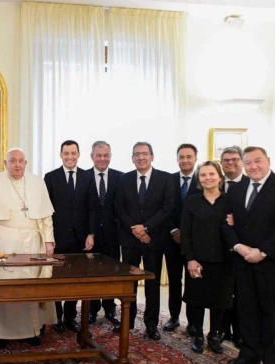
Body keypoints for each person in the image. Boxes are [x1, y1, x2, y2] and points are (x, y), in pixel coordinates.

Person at [223, 146, 275, 364]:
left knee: (271, 314)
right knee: (246, 310)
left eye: (258, 161)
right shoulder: (236, 190)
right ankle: (249, 353)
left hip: (271, 262)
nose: (253, 166)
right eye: (248, 163)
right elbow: (227, 223)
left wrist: (263, 251)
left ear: (268, 160)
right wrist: (239, 247)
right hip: (242, 259)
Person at [0, 148, 58, 348]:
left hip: (34, 244)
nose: (17, 165)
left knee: (32, 285)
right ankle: (3, 334)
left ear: (26, 163)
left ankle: (33, 331)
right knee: (5, 287)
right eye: (13, 161)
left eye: (21, 161)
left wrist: (48, 242)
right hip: (4, 243)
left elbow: (46, 217)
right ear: (5, 163)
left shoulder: (37, 182)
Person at [114, 142, 175, 340]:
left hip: (154, 239)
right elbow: (119, 208)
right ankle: (128, 321)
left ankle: (151, 324)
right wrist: (137, 230)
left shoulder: (165, 179)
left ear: (152, 156)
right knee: (129, 283)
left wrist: (146, 228)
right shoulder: (124, 179)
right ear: (132, 158)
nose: (141, 157)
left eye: (144, 154)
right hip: (130, 240)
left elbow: (167, 208)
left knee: (152, 283)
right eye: (137, 154)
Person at [181, 161, 233, 354]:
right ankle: (198, 336)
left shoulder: (229, 201)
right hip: (198, 259)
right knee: (197, 300)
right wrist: (191, 259)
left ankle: (214, 335)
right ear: (198, 179)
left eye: (211, 174)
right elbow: (185, 232)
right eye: (203, 175)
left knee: (219, 301)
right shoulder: (192, 201)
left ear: (219, 177)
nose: (208, 178)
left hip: (224, 260)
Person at [43, 140, 94, 333]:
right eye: (66, 153)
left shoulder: (88, 177)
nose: (70, 157)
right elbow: (46, 210)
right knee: (56, 278)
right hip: (57, 237)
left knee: (76, 279)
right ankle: (56, 317)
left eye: (73, 153)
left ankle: (71, 317)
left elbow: (92, 207)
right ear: (61, 155)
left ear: (79, 155)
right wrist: (48, 238)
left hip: (81, 239)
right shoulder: (51, 177)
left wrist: (91, 233)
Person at [84, 141, 123, 329]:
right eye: (98, 155)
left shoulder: (120, 178)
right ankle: (91, 309)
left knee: (111, 273)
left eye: (105, 155)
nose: (102, 158)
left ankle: (109, 308)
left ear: (110, 156)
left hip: (113, 235)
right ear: (91, 157)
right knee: (90, 273)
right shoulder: (83, 177)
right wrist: (89, 232)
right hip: (89, 235)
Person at [163, 143, 200, 333]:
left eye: (189, 157)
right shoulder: (168, 180)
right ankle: (174, 316)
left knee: (193, 281)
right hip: (172, 240)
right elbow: (164, 208)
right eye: (181, 157)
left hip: (194, 241)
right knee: (174, 279)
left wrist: (187, 234)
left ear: (195, 158)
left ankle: (193, 322)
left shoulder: (203, 180)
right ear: (177, 159)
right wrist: (174, 230)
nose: (185, 160)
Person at [219, 146, 248, 346]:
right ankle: (221, 330)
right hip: (218, 247)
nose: (230, 163)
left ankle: (239, 333)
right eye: (226, 160)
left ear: (241, 161)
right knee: (222, 291)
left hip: (242, 247)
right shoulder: (216, 183)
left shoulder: (250, 184)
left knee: (240, 292)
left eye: (234, 159)